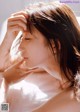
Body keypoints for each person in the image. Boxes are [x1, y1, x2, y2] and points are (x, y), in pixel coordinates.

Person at [0, 2, 80, 112]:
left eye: (27, 38)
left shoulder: (75, 96)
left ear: (54, 45)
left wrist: (5, 83)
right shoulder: (70, 84)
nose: (19, 47)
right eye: (21, 38)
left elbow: (3, 109)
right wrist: (7, 41)